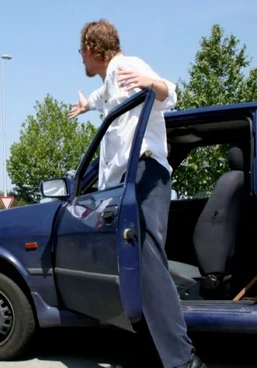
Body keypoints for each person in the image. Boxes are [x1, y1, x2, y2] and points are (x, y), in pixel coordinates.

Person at [69, 19, 206, 368]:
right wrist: (87, 107)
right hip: (128, 182)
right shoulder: (111, 79)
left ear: (89, 50)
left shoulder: (127, 66)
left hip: (144, 174)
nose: (81, 61)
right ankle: (158, 352)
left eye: (80, 54)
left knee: (148, 262)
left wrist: (154, 85)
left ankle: (184, 360)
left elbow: (169, 92)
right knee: (137, 268)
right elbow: (104, 97)